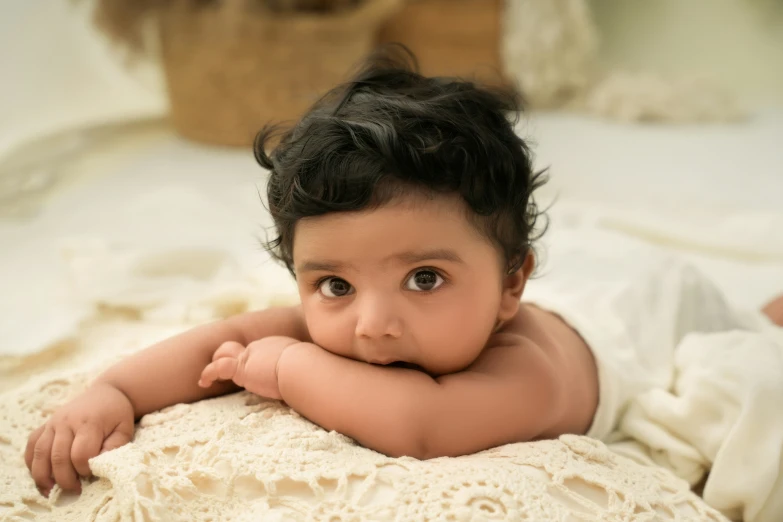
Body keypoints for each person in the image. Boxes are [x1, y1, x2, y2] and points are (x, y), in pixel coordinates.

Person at [24, 47, 783, 498]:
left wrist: (285, 364)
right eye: (333, 285)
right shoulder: (362, 319)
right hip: (580, 290)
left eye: (423, 278)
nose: (371, 323)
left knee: (750, 335)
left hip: (652, 309)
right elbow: (225, 335)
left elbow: (421, 425)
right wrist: (113, 390)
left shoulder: (534, 375)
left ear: (510, 286)